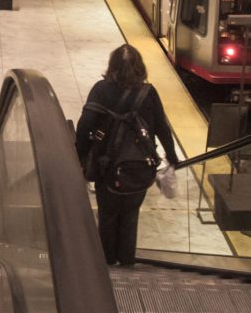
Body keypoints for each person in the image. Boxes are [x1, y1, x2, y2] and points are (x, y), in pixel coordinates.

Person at [76, 44, 178, 266]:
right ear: (140, 67)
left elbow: (85, 126)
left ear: (111, 66)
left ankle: (107, 260)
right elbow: (162, 126)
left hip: (107, 165)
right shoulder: (148, 92)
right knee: (131, 214)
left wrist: (79, 155)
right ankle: (127, 259)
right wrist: (172, 156)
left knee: (108, 214)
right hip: (139, 166)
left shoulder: (101, 89)